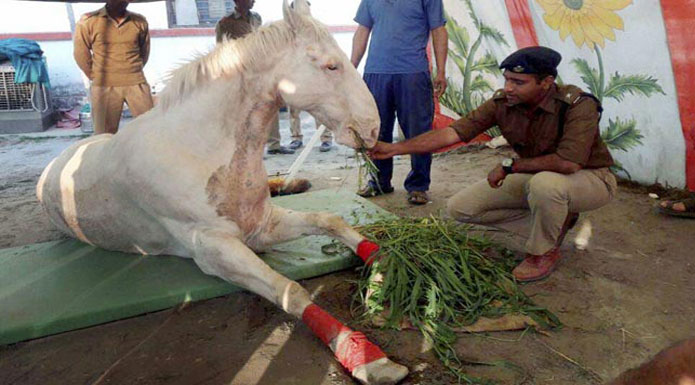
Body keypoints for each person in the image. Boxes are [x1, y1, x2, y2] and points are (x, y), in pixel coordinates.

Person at [369, 46, 618, 282]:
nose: (509, 88)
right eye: (507, 80)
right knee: (461, 208)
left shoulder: (577, 104)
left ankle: (542, 252)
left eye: (518, 82)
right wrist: (394, 149)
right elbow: (452, 134)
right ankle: (557, 220)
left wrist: (510, 166)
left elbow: (568, 163)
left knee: (546, 186)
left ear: (546, 82)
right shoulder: (503, 103)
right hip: (539, 175)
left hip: (591, 178)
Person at [351, 0, 448, 205]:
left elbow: (438, 30)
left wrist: (441, 71)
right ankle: (379, 181)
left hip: (413, 73)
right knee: (376, 130)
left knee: (418, 131)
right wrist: (351, 67)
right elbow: (362, 30)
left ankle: (418, 185)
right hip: (375, 73)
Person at [216, 0, 294, 155]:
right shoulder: (225, 22)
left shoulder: (256, 18)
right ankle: (244, 149)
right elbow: (220, 49)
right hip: (239, 73)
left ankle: (274, 145)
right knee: (243, 112)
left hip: (259, 70)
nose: (253, 1)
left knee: (270, 104)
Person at [73, 0, 154, 135]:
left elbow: (144, 52)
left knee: (150, 128)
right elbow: (80, 54)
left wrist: (133, 69)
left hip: (136, 82)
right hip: (104, 84)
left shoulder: (139, 21)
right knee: (104, 134)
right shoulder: (89, 21)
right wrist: (95, 75)